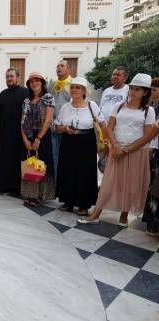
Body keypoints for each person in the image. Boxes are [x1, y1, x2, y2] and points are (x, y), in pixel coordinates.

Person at [78, 73, 155, 226]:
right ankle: (96, 213)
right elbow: (109, 128)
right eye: (131, 88)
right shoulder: (118, 106)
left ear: (145, 92)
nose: (132, 92)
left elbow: (147, 136)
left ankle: (124, 216)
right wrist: (115, 146)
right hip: (116, 149)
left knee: (130, 184)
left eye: (137, 89)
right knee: (109, 182)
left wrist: (126, 150)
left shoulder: (148, 111)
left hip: (136, 152)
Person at [55, 77, 106, 216]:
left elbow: (102, 123)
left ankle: (84, 204)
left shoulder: (92, 105)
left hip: (86, 143)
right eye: (72, 87)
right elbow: (57, 127)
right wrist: (64, 128)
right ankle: (68, 201)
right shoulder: (65, 107)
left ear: (84, 91)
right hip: (68, 141)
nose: (74, 90)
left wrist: (107, 141)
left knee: (85, 173)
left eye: (78, 87)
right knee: (67, 170)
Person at [21, 72, 55, 205]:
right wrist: (25, 139)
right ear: (29, 85)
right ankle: (30, 194)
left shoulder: (48, 98)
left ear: (42, 83)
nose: (34, 83)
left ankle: (39, 195)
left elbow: (48, 120)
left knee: (41, 165)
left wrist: (39, 138)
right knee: (30, 165)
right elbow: (22, 121)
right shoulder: (26, 101)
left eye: (37, 81)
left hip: (42, 136)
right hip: (29, 135)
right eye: (32, 81)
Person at [0, 68, 28, 196]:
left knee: (17, 161)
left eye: (12, 76)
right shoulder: (2, 94)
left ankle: (17, 189)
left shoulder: (26, 92)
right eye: (7, 76)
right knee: (4, 160)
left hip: (20, 135)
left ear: (18, 78)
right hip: (4, 134)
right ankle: (3, 186)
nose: (9, 79)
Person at [48, 60, 71, 180]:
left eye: (62, 66)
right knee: (53, 156)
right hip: (53, 127)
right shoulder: (52, 85)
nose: (59, 68)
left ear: (68, 69)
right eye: (57, 66)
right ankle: (55, 184)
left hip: (66, 128)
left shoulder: (72, 85)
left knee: (66, 157)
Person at [142, 77, 159, 236]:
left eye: (155, 89)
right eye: (151, 89)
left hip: (154, 148)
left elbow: (154, 129)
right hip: (154, 149)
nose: (152, 92)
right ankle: (152, 224)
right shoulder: (150, 106)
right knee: (154, 186)